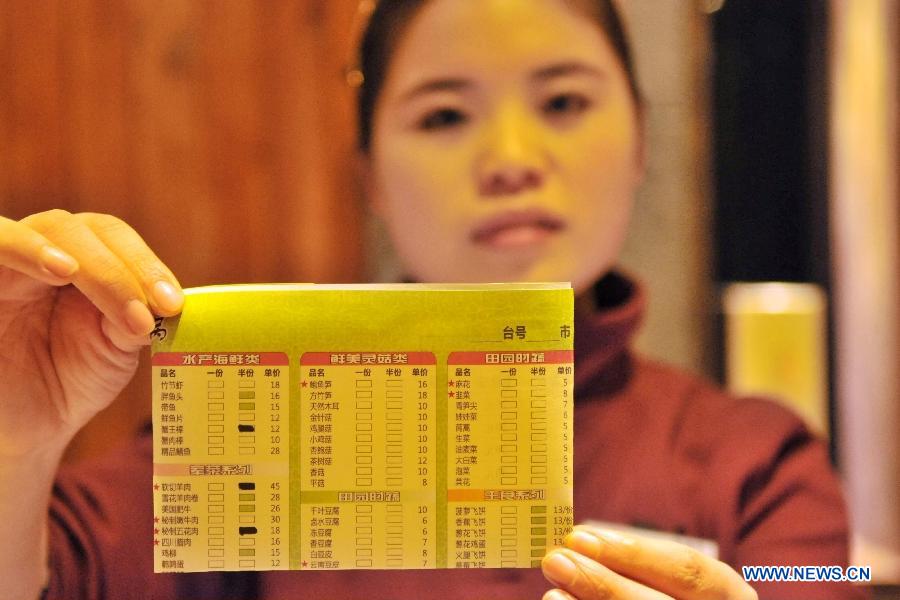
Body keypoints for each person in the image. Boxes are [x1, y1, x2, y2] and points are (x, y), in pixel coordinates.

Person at [0, 0, 866, 598]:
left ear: (640, 139)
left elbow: (824, 580)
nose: (512, 158)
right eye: (445, 116)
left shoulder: (758, 463)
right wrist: (17, 439)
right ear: (371, 178)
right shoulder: (248, 423)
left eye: (563, 100)